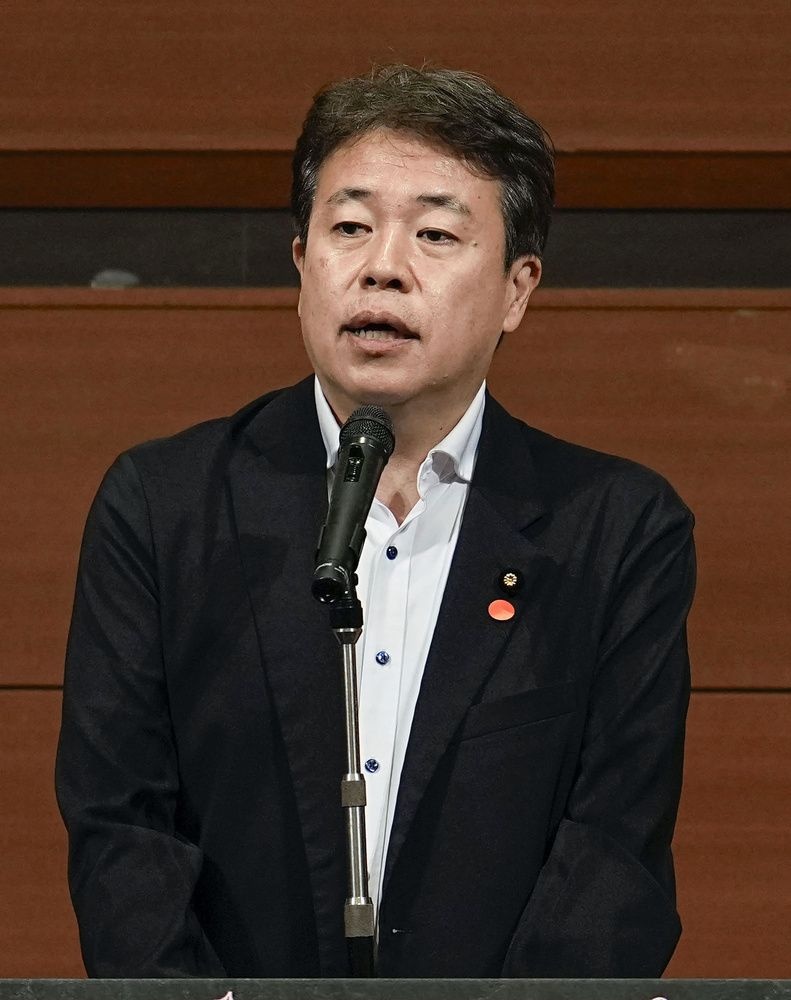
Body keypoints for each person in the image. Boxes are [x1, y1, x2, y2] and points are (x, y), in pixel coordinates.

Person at [56, 64, 695, 979]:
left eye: (435, 233)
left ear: (517, 289)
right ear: (301, 261)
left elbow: (614, 852)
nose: (382, 266)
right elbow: (120, 826)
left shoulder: (614, 531)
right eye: (349, 227)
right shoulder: (165, 507)